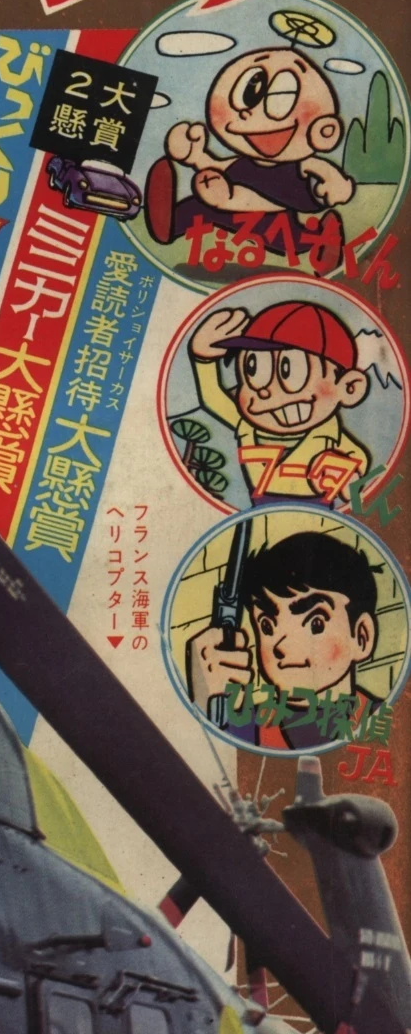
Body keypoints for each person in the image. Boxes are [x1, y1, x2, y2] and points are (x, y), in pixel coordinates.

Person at [144, 46, 355, 253]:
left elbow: (323, 172)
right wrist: (195, 155)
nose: (249, 114)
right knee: (196, 209)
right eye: (247, 95)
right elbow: (216, 166)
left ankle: (324, 240)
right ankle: (169, 224)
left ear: (325, 130)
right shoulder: (239, 164)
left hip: (273, 216)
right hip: (225, 206)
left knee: (291, 239)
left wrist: (336, 184)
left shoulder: (296, 168)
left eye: (279, 101)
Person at [186, 528, 382, 750]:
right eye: (267, 626)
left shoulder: (385, 719)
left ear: (362, 637)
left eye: (316, 624)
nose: (282, 645)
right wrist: (202, 699)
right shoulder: (244, 729)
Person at [184, 298, 372, 504]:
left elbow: (358, 459)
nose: (266, 391)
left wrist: (346, 474)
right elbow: (213, 397)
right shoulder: (248, 427)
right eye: (253, 370)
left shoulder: (328, 435)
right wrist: (203, 359)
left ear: (349, 387)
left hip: (318, 520)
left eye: (289, 371)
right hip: (259, 520)